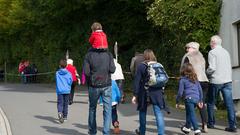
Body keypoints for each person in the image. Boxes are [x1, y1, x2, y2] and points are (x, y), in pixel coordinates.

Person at [132, 49, 168, 135]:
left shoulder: (141, 66)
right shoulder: (158, 65)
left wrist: (135, 95)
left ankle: (142, 132)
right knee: (158, 114)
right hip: (158, 92)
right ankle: (161, 133)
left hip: (145, 92)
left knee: (142, 112)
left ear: (145, 56)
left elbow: (137, 81)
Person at [206, 35, 237, 132]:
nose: (210, 43)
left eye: (210, 42)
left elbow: (212, 68)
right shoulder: (226, 52)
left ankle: (211, 123)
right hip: (227, 80)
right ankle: (233, 126)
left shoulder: (212, 52)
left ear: (213, 43)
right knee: (229, 104)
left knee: (211, 102)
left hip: (216, 81)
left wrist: (206, 72)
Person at [83, 48, 116, 135]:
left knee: (92, 109)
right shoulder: (109, 54)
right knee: (107, 109)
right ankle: (106, 132)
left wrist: (93, 75)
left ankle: (93, 132)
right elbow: (112, 69)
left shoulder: (89, 54)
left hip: (94, 85)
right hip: (106, 84)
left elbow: (86, 72)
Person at [180, 42, 209, 132]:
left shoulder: (188, 56)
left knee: (190, 104)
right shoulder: (202, 57)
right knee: (201, 103)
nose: (187, 49)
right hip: (205, 81)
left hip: (194, 81)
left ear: (193, 48)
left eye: (188, 47)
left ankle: (189, 126)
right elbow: (204, 69)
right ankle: (204, 124)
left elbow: (184, 69)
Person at [176, 63, 203, 135]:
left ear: (183, 71)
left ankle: (196, 129)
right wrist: (200, 100)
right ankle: (187, 128)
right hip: (196, 98)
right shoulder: (195, 79)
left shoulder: (182, 80)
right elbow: (200, 90)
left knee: (191, 114)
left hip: (189, 99)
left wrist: (177, 101)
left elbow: (180, 92)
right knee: (189, 113)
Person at [55, 59, 73, 123]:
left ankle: (60, 112)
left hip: (60, 90)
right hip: (67, 90)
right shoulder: (69, 73)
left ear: (59, 66)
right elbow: (71, 81)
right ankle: (65, 116)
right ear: (66, 66)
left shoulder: (57, 73)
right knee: (66, 104)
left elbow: (56, 80)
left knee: (60, 103)